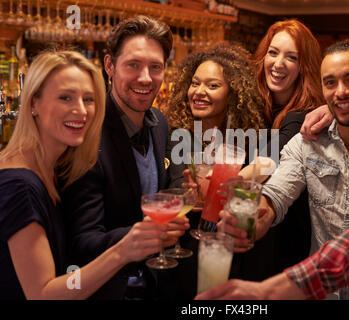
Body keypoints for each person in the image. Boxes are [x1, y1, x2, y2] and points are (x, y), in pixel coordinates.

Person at [196, 33, 349, 300]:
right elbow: (277, 193)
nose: (341, 91)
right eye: (331, 82)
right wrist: (261, 215)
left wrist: (271, 291)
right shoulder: (308, 141)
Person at [0, 50, 176, 299]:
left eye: (88, 99)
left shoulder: (53, 166)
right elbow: (42, 294)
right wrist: (122, 251)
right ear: (33, 103)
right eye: (65, 98)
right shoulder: (19, 185)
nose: (81, 110)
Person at [61, 16, 189, 300]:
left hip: (156, 283)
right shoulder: (87, 135)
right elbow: (83, 243)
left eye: (155, 67)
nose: (145, 78)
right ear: (109, 66)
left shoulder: (159, 123)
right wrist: (147, 234)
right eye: (133, 65)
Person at [162, 43, 267, 299]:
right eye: (195, 83)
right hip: (184, 254)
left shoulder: (247, 142)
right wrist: (187, 193)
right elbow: (177, 184)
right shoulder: (177, 135)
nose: (199, 92)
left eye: (212, 85)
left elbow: (260, 182)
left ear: (233, 94)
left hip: (231, 255)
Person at [247, 18, 325, 275]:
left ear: (304, 66)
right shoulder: (256, 108)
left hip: (286, 239)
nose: (278, 64)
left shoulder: (303, 115)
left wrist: (218, 187)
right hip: (258, 232)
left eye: (291, 57)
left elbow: (267, 163)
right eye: (273, 52)